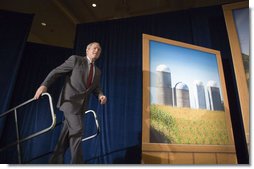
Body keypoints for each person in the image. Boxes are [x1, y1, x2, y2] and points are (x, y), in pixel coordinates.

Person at [34, 42, 107, 164]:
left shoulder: (97, 71)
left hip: (82, 107)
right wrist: (44, 85)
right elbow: (56, 72)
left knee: (65, 137)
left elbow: (95, 88)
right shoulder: (76, 60)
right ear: (87, 50)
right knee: (77, 131)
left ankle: (54, 162)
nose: (97, 50)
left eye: (99, 49)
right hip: (69, 102)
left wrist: (100, 95)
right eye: (94, 48)